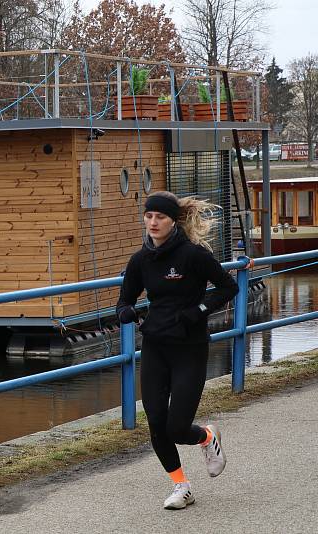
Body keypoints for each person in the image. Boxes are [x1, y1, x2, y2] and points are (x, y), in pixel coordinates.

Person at [116, 191, 239, 510]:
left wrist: (198, 310)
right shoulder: (140, 259)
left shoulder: (193, 255)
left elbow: (228, 287)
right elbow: (124, 299)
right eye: (149, 216)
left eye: (161, 217)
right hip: (156, 346)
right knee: (156, 422)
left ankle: (207, 437)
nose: (153, 222)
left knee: (177, 427)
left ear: (173, 221)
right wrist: (125, 312)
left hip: (190, 347)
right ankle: (181, 486)